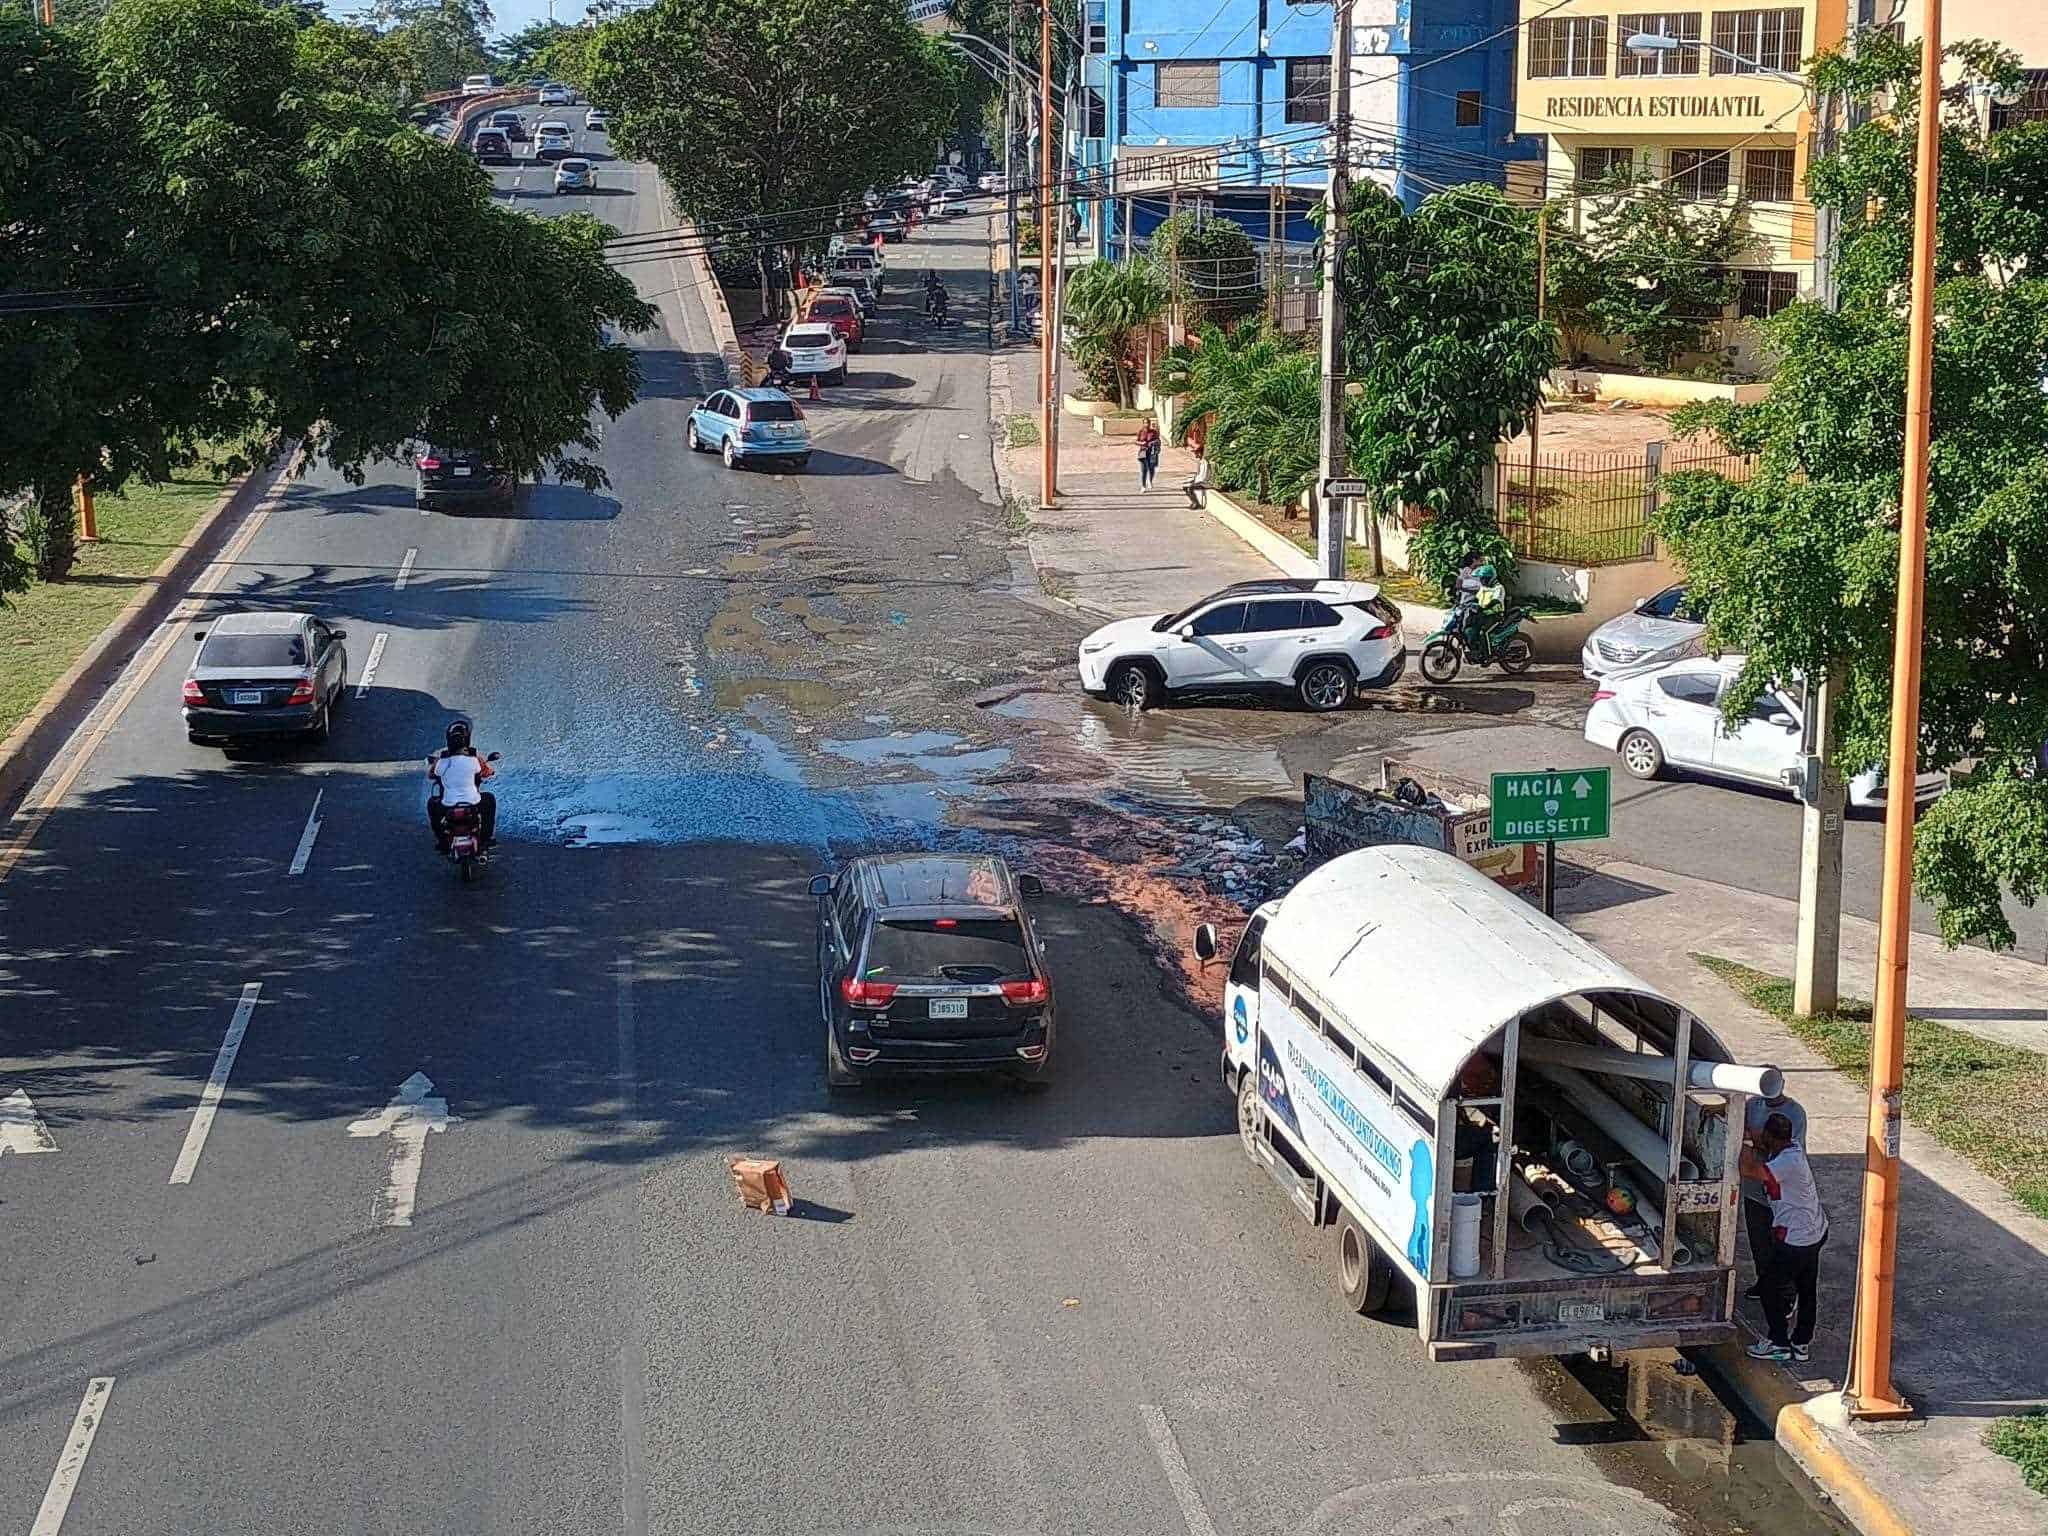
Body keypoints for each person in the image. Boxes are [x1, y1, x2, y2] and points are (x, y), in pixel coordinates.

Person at [1740, 1111, 1828, 1363]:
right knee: (1807, 1288)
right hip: (1814, 1231)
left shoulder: (1784, 1164)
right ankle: (1801, 1343)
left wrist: (1741, 1141)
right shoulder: (1793, 1149)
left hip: (1795, 1239)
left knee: (1768, 1287)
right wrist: (1753, 1135)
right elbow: (1763, 1142)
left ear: (1772, 1137)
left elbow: (1747, 1168)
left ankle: (1778, 1341)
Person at [1740, 1084, 1808, 1300]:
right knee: (1759, 1243)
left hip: (1781, 1196)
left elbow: (1782, 1149)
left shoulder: (1795, 1113)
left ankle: (1788, 1295)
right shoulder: (1753, 1104)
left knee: (1782, 1247)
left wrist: (1750, 1140)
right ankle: (1765, 1283)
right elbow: (1738, 1119)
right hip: (1755, 1193)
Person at [428, 718, 496, 853]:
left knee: (432, 804)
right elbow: (487, 772)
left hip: (448, 803)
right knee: (489, 800)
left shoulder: (442, 761)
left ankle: (442, 841)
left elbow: (431, 775)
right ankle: (486, 838)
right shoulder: (475, 759)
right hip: (473, 802)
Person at [1134, 419, 1161, 491]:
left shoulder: (1154, 432)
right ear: (1143, 424)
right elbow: (1136, 441)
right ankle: (1143, 486)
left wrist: (1154, 444)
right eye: (1145, 423)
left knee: (1151, 468)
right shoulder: (1141, 432)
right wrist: (1141, 443)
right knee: (1143, 470)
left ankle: (1150, 481)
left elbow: (1158, 440)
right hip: (1143, 452)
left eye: (1148, 423)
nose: (1147, 424)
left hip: (1152, 452)